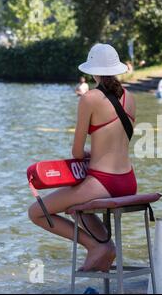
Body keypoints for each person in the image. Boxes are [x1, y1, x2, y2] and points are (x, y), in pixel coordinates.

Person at [28, 43, 135, 272]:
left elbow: (76, 153)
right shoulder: (131, 98)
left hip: (102, 182)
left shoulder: (89, 98)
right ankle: (103, 245)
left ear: (92, 71)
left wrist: (87, 154)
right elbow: (115, 142)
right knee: (75, 205)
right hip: (128, 180)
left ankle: (96, 246)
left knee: (37, 212)